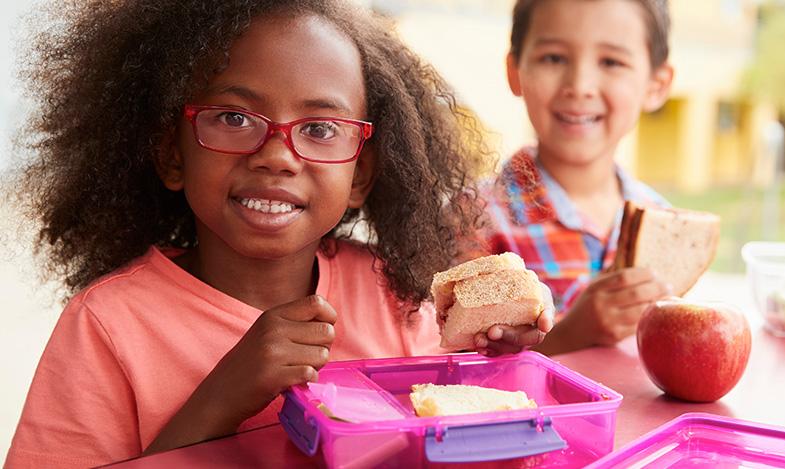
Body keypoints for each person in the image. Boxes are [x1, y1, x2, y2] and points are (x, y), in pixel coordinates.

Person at [5, 1, 552, 466]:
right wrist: (218, 403)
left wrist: (498, 361)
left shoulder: (391, 295)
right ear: (173, 153)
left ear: (359, 174)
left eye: (319, 129)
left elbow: (453, 439)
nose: (275, 156)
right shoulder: (108, 326)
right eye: (234, 118)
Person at [481, 0, 675, 355]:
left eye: (611, 62)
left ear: (656, 85)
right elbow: (458, 373)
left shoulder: (663, 221)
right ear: (515, 71)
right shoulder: (472, 220)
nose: (580, 85)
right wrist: (571, 333)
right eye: (554, 58)